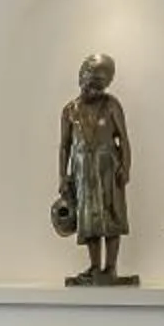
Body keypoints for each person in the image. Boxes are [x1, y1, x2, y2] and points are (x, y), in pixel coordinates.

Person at [56, 53, 134, 285]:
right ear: (81, 77)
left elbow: (124, 138)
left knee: (111, 215)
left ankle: (110, 267)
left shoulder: (111, 105)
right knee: (88, 218)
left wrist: (126, 166)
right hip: (82, 170)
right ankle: (94, 266)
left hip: (108, 167)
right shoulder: (70, 110)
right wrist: (63, 176)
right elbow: (64, 146)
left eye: (101, 83)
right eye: (91, 82)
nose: (95, 88)